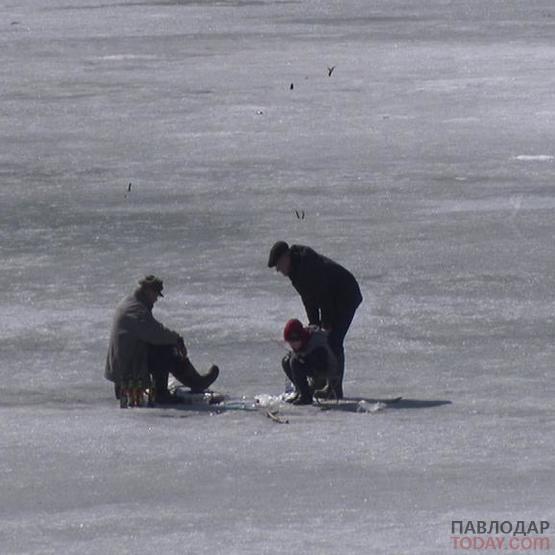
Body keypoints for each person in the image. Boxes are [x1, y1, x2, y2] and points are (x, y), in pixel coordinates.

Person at [268, 241, 362, 399]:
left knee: (334, 340)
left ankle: (334, 388)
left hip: (346, 295)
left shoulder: (308, 266)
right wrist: (314, 325)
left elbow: (324, 295)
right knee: (320, 337)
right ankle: (321, 382)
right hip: (333, 298)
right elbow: (308, 299)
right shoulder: (294, 270)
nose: (278, 270)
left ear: (286, 257)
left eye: (278, 265)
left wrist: (326, 324)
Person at [105, 275, 219, 405]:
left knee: (164, 345)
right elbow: (155, 333)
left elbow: (153, 328)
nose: (156, 299)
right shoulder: (136, 310)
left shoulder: (131, 302)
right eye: (156, 295)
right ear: (148, 291)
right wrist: (177, 339)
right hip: (127, 371)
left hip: (123, 366)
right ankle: (169, 391)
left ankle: (194, 382)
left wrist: (175, 339)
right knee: (165, 349)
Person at [281, 319, 339, 405]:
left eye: (293, 342)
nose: (292, 345)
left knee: (294, 362)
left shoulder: (316, 342)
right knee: (287, 360)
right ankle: (301, 391)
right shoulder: (303, 341)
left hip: (325, 368)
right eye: (290, 342)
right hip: (311, 364)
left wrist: (303, 358)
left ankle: (306, 396)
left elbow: (322, 362)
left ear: (300, 338)